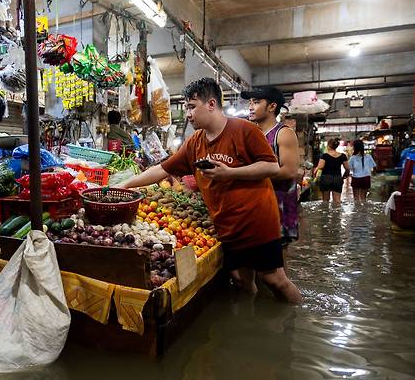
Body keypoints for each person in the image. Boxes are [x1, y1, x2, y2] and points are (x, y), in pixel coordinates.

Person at [120, 78, 303, 304]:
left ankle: (294, 320)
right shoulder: (195, 141)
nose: (187, 114)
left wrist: (230, 173)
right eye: (186, 107)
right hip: (226, 225)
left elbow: (272, 166)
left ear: (211, 104)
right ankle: (251, 324)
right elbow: (161, 169)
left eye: (191, 106)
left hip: (257, 222)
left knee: (275, 279)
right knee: (242, 280)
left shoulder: (244, 130)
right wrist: (126, 185)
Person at [243, 86, 300, 245]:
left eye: (256, 102)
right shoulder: (252, 133)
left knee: (277, 258)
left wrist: (246, 174)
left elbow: (289, 172)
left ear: (272, 106)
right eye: (250, 102)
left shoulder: (283, 133)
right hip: (258, 202)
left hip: (278, 204)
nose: (250, 106)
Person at [313, 138, 350, 205]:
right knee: (337, 201)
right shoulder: (343, 156)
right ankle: (337, 215)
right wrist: (345, 174)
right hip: (337, 178)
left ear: (328, 145)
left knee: (325, 201)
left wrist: (315, 170)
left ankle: (326, 215)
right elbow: (347, 168)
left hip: (326, 178)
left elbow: (320, 166)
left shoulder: (325, 155)